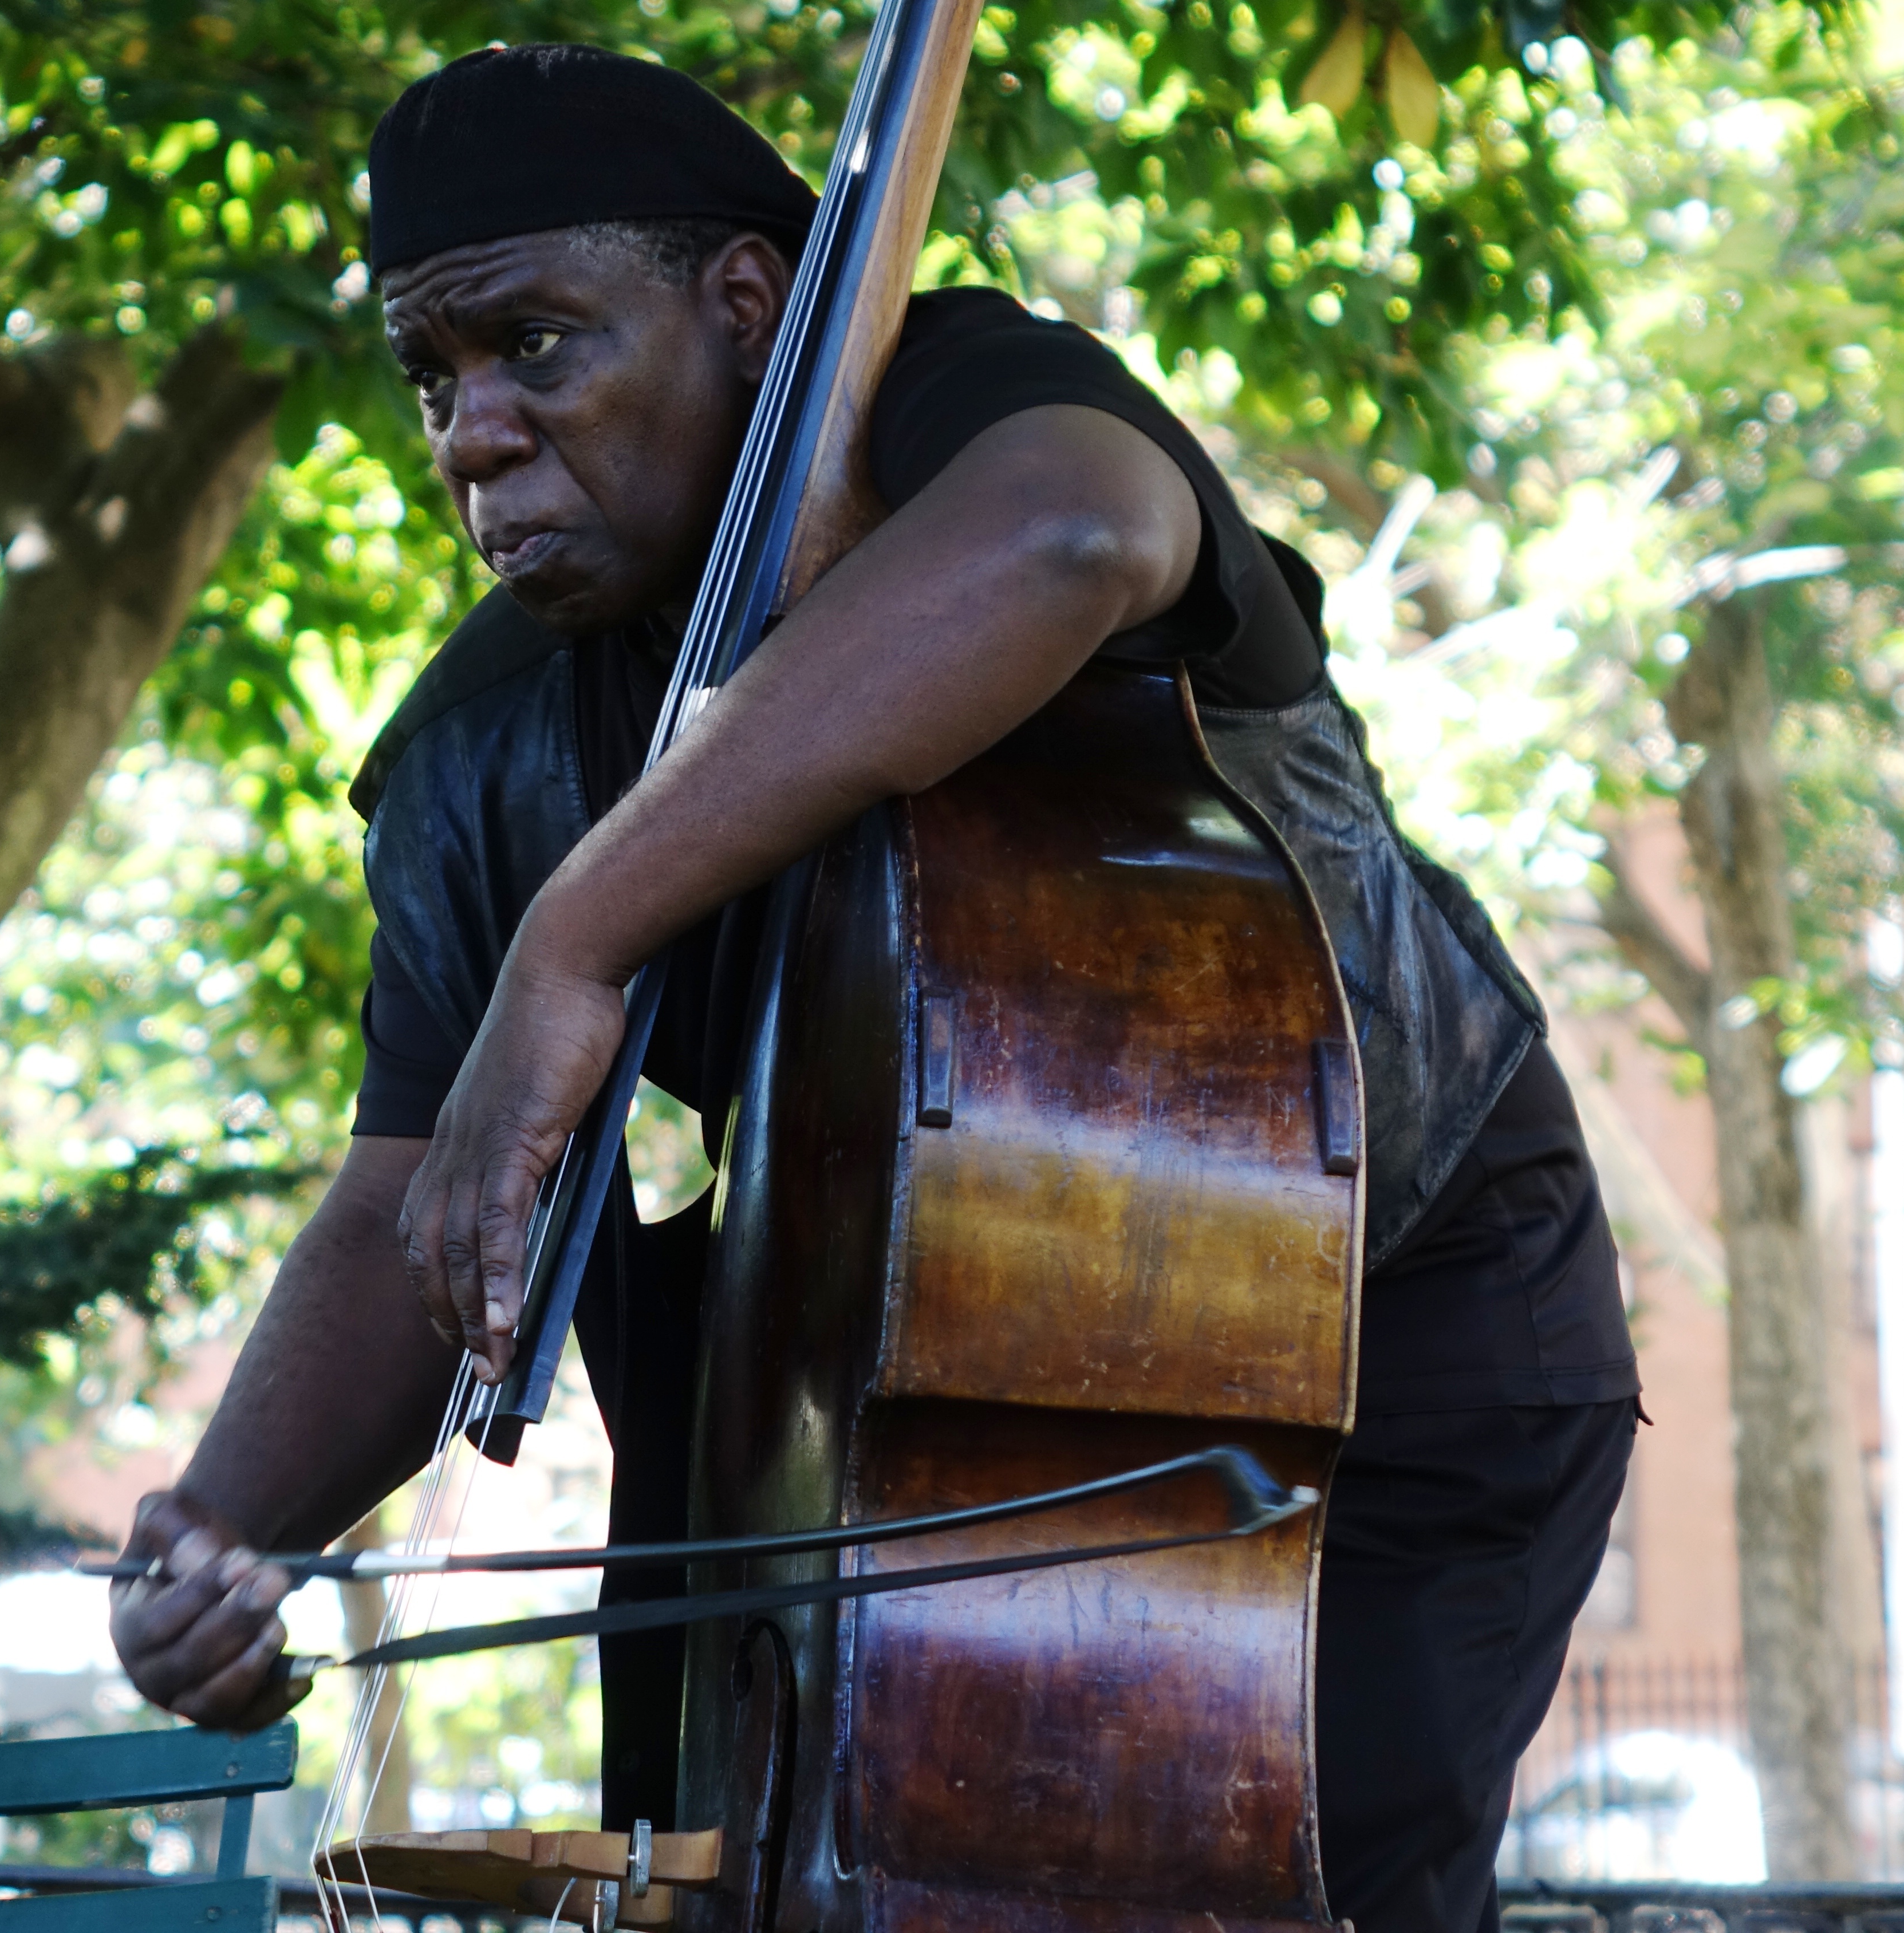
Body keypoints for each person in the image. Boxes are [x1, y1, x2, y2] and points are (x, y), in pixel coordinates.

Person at [107, 44, 1638, 1933]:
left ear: (746, 305)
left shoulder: (960, 391)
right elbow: (404, 1198)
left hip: (1381, 1320)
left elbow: (1077, 534)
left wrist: (578, 940)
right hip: (927, 1437)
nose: (469, 432)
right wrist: (217, 1540)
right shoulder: (479, 752)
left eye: (536, 345)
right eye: (436, 375)